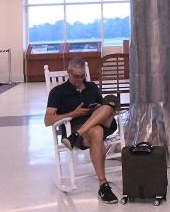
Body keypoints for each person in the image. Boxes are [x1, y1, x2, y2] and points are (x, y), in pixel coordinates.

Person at [44, 57, 120, 204]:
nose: (80, 80)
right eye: (76, 76)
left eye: (82, 76)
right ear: (69, 72)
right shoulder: (58, 92)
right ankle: (103, 185)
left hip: (100, 123)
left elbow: (104, 107)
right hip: (79, 127)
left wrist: (97, 108)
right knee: (96, 131)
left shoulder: (91, 86)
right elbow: (47, 120)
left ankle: (74, 137)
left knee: (110, 102)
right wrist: (73, 114)